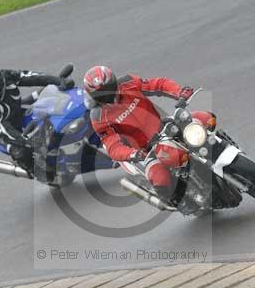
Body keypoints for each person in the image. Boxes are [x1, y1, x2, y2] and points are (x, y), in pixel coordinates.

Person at [84, 66, 216, 204]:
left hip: (165, 127)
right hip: (146, 150)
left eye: (110, 87)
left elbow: (157, 84)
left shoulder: (128, 82)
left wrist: (179, 92)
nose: (110, 94)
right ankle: (182, 201)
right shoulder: (98, 117)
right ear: (95, 97)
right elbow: (113, 146)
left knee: (206, 118)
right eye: (102, 93)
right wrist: (133, 154)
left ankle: (221, 147)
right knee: (161, 181)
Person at [0, 61, 72, 170]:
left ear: (0, 79)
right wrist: (24, 141)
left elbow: (33, 77)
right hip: (2, 131)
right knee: (21, 152)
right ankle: (40, 173)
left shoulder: (7, 76)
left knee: (47, 116)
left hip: (17, 111)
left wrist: (58, 81)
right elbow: (4, 129)